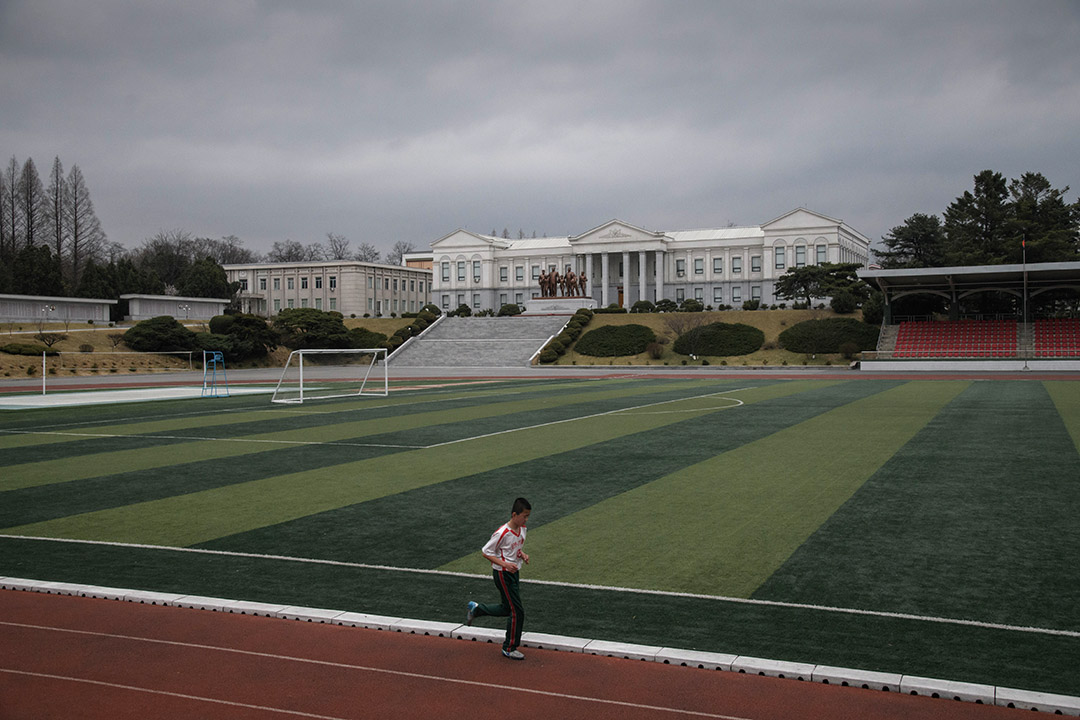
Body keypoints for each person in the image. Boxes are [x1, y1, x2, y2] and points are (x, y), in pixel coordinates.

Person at [465, 497, 531, 660]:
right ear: (514, 514)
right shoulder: (502, 532)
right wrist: (505, 564)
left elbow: (513, 549)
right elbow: (486, 552)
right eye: (524, 516)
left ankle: (477, 609)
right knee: (517, 611)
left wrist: (521, 555)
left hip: (514, 573)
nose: (526, 519)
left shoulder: (522, 530)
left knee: (506, 608)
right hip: (502, 574)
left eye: (528, 516)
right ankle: (509, 647)